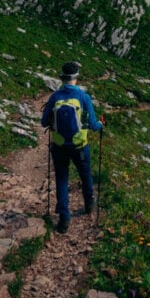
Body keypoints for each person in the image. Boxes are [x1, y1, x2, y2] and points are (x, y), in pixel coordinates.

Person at [41, 61, 103, 234]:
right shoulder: (84, 97)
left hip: (59, 145)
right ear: (76, 77)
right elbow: (92, 124)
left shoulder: (55, 96)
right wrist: (100, 125)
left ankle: (64, 218)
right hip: (80, 145)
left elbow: (44, 122)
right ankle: (89, 203)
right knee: (85, 174)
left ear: (62, 77)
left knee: (62, 179)